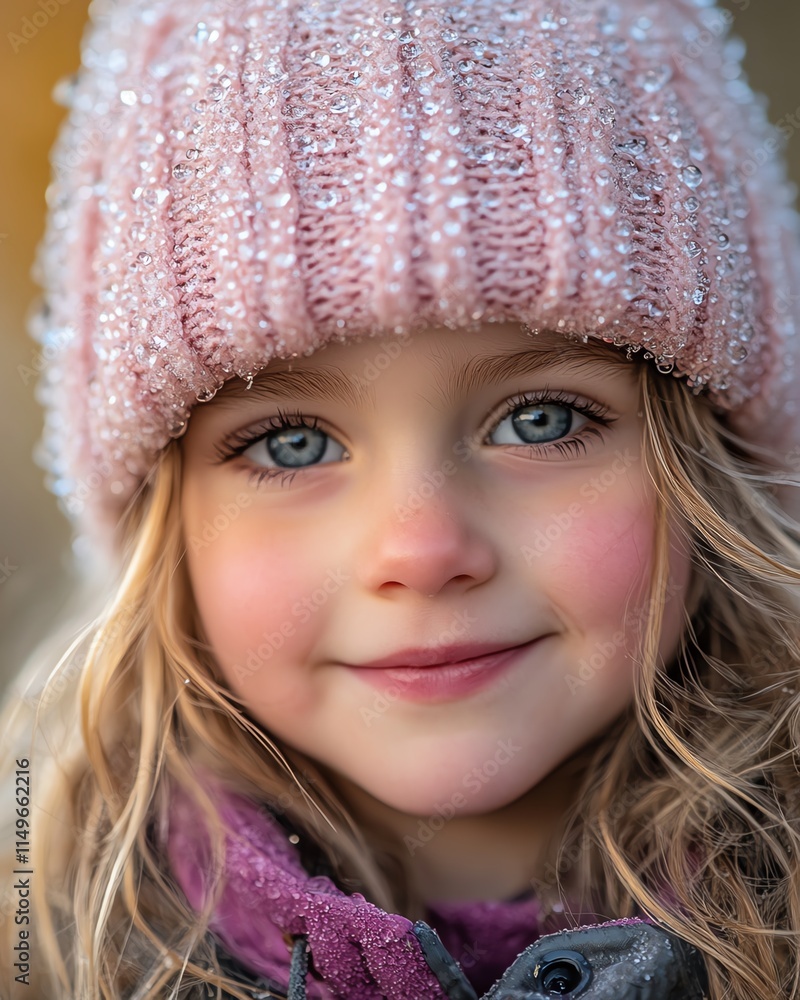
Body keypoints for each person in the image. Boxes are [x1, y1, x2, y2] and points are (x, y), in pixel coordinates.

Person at [2, 0, 800, 996]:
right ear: (159, 525)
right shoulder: (46, 957)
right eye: (292, 443)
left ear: (714, 463)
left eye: (539, 419)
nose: (421, 548)